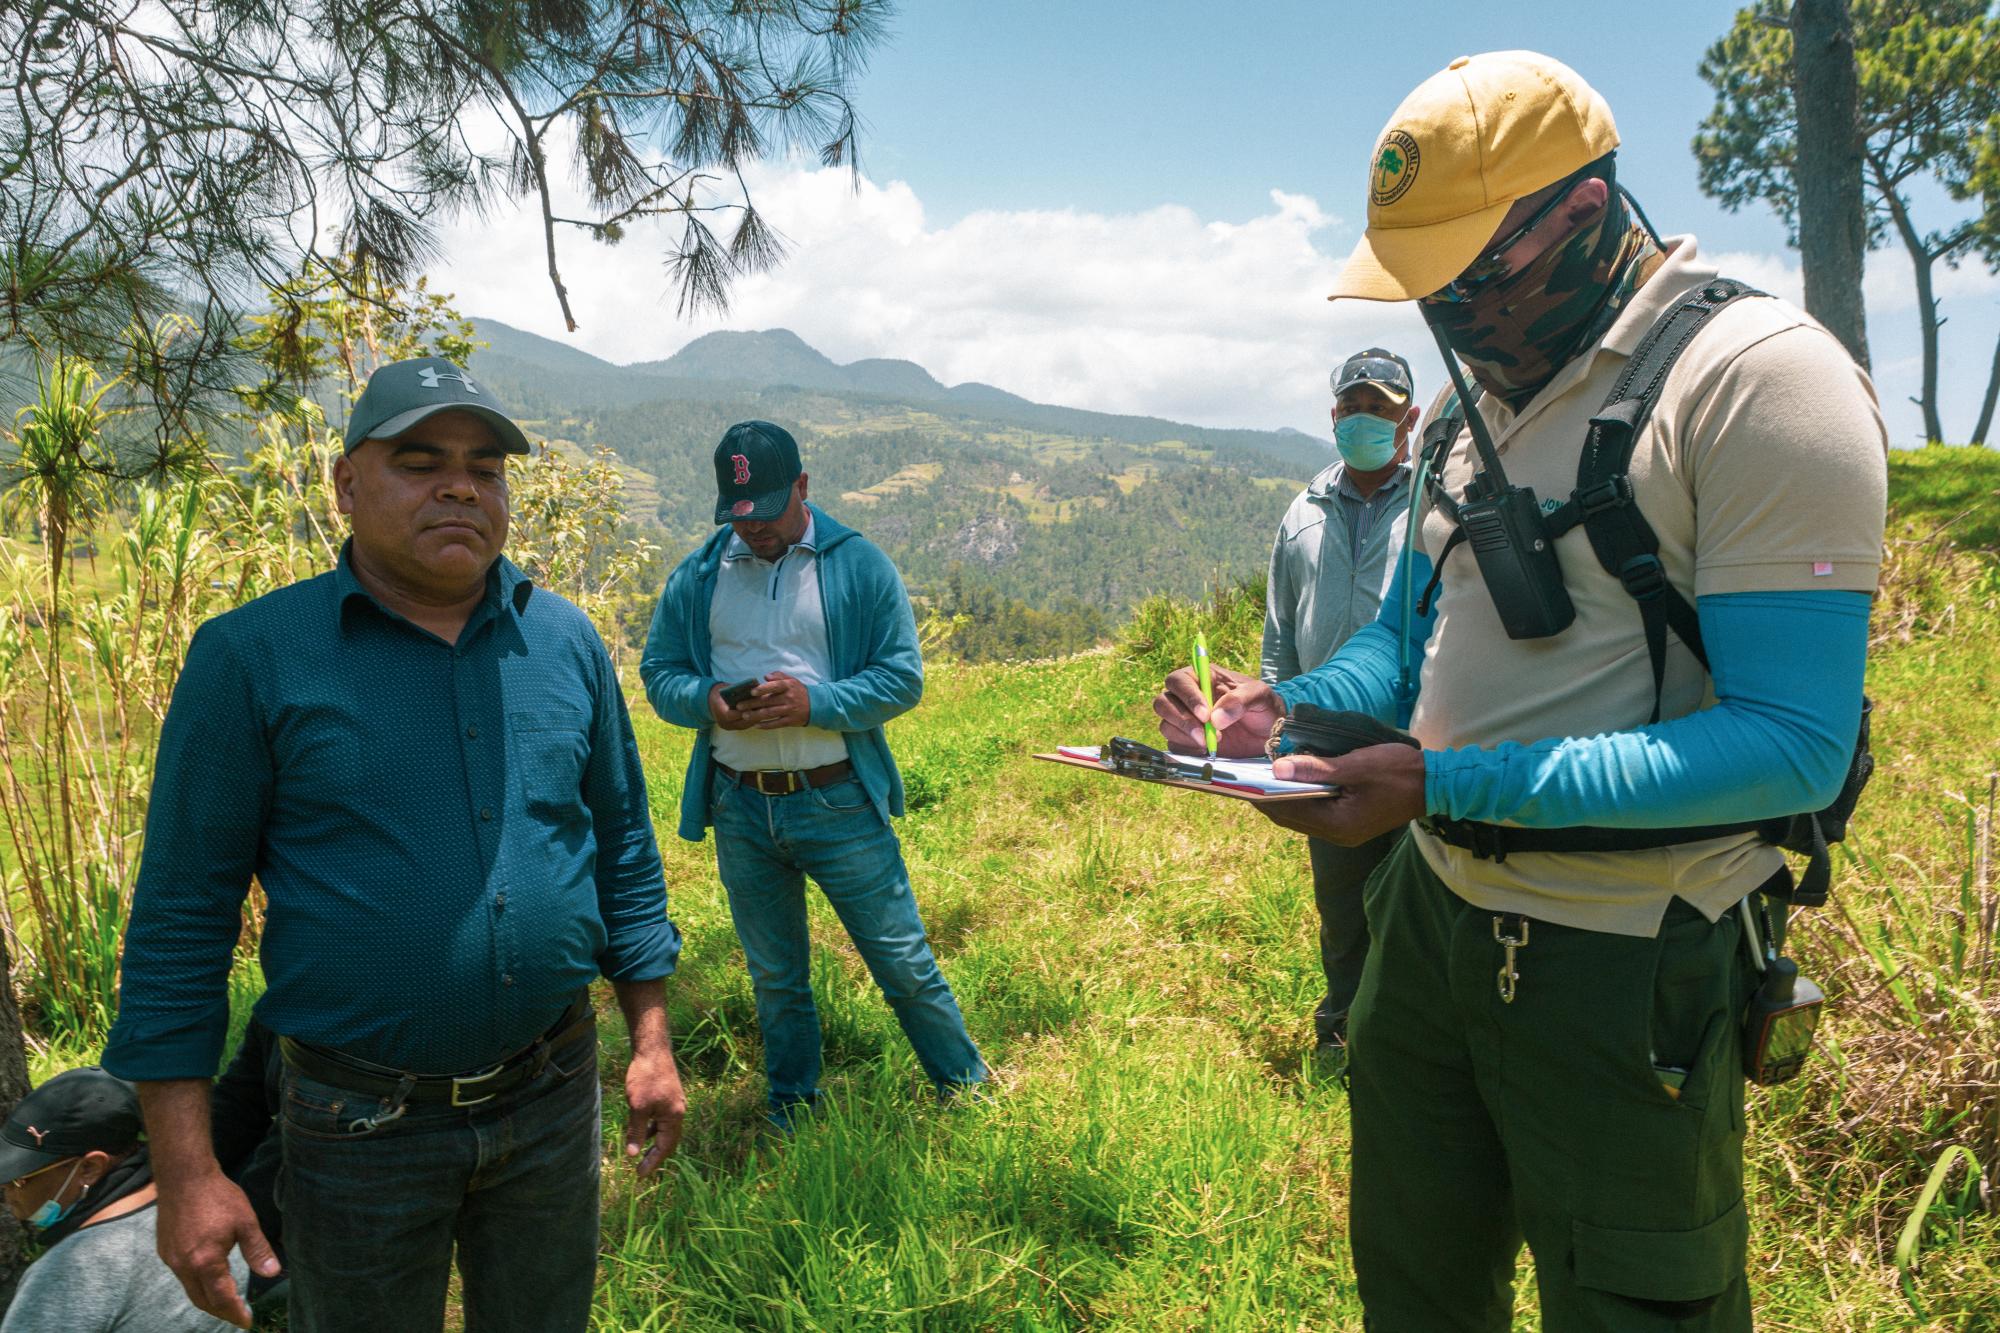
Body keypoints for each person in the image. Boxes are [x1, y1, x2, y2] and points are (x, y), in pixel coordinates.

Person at [1157, 50, 1885, 1330]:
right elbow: (1406, 644)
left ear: (1587, 216)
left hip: (1625, 960)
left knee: (1632, 1302)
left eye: (1474, 279)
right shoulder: (1457, 410)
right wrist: (1296, 711)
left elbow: (1792, 747)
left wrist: (1444, 782)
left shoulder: (1757, 382)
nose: (1449, 314)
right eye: (1423, 286)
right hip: (1431, 929)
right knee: (1416, 1278)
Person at [101, 357, 688, 1332]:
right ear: (346, 485)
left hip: (551, 1098)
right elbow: (179, 922)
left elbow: (622, 848)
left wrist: (652, 1043)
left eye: (485, 467)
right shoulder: (253, 657)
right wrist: (186, 1168)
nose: (460, 484)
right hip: (353, 1125)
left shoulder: (566, 645)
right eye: (420, 462)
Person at [639, 420, 986, 1129]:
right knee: (775, 978)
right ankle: (791, 1109)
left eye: (767, 513)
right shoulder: (700, 572)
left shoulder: (858, 566)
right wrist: (707, 702)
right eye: (740, 517)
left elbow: (902, 679)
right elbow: (659, 673)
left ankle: (969, 1090)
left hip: (837, 800)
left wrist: (815, 703)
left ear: (802, 485)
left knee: (903, 963)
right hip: (740, 806)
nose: (755, 530)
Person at [1260, 347, 1419, 1058]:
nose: (1365, 419)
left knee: (1416, 899)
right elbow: (1279, 638)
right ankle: (1342, 1036)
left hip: (1416, 739)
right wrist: (1280, 735)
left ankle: (1410, 1042)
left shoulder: (1434, 503)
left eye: (1380, 408)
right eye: (1353, 407)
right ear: (1334, 416)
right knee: (1343, 902)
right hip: (1325, 745)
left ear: (1408, 420)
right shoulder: (1304, 513)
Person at [0, 1067, 243, 1332]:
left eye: (20, 1180)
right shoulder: (211, 1207)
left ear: (89, 1168)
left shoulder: (72, 1271)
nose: (7, 1191)